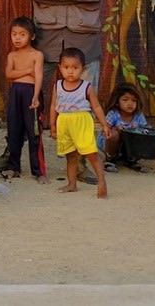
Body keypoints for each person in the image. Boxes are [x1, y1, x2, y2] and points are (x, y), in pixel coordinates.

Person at [49, 47, 111, 198]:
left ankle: (102, 181)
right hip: (64, 122)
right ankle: (72, 183)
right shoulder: (58, 86)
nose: (70, 71)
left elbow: (96, 106)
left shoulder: (86, 87)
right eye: (66, 67)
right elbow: (53, 106)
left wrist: (104, 124)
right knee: (70, 155)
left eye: (75, 68)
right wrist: (52, 125)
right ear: (60, 68)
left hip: (81, 121)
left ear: (82, 69)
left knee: (91, 153)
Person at [3, 17, 46, 182]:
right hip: (15, 92)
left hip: (31, 92)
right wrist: (28, 70)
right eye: (14, 34)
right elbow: (9, 74)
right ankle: (14, 167)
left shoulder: (37, 55)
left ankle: (38, 171)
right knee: (14, 130)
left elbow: (39, 76)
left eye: (22, 34)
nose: (17, 38)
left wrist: (36, 96)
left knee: (33, 131)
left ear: (32, 36)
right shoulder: (12, 55)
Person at [102, 83, 150, 173]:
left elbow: (145, 129)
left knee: (141, 135)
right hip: (114, 145)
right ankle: (110, 159)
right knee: (113, 134)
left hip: (129, 145)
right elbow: (105, 130)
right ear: (117, 102)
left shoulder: (138, 115)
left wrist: (138, 130)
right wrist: (116, 129)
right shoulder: (113, 114)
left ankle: (131, 159)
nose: (130, 104)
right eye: (125, 100)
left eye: (134, 101)